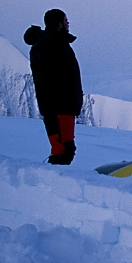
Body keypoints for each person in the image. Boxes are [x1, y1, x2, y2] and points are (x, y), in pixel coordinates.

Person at [24, 9, 83, 165]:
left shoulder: (52, 44)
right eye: (65, 21)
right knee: (64, 150)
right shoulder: (51, 45)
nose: (68, 23)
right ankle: (53, 181)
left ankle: (53, 180)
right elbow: (54, 78)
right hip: (60, 106)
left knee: (61, 150)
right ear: (59, 25)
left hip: (58, 105)